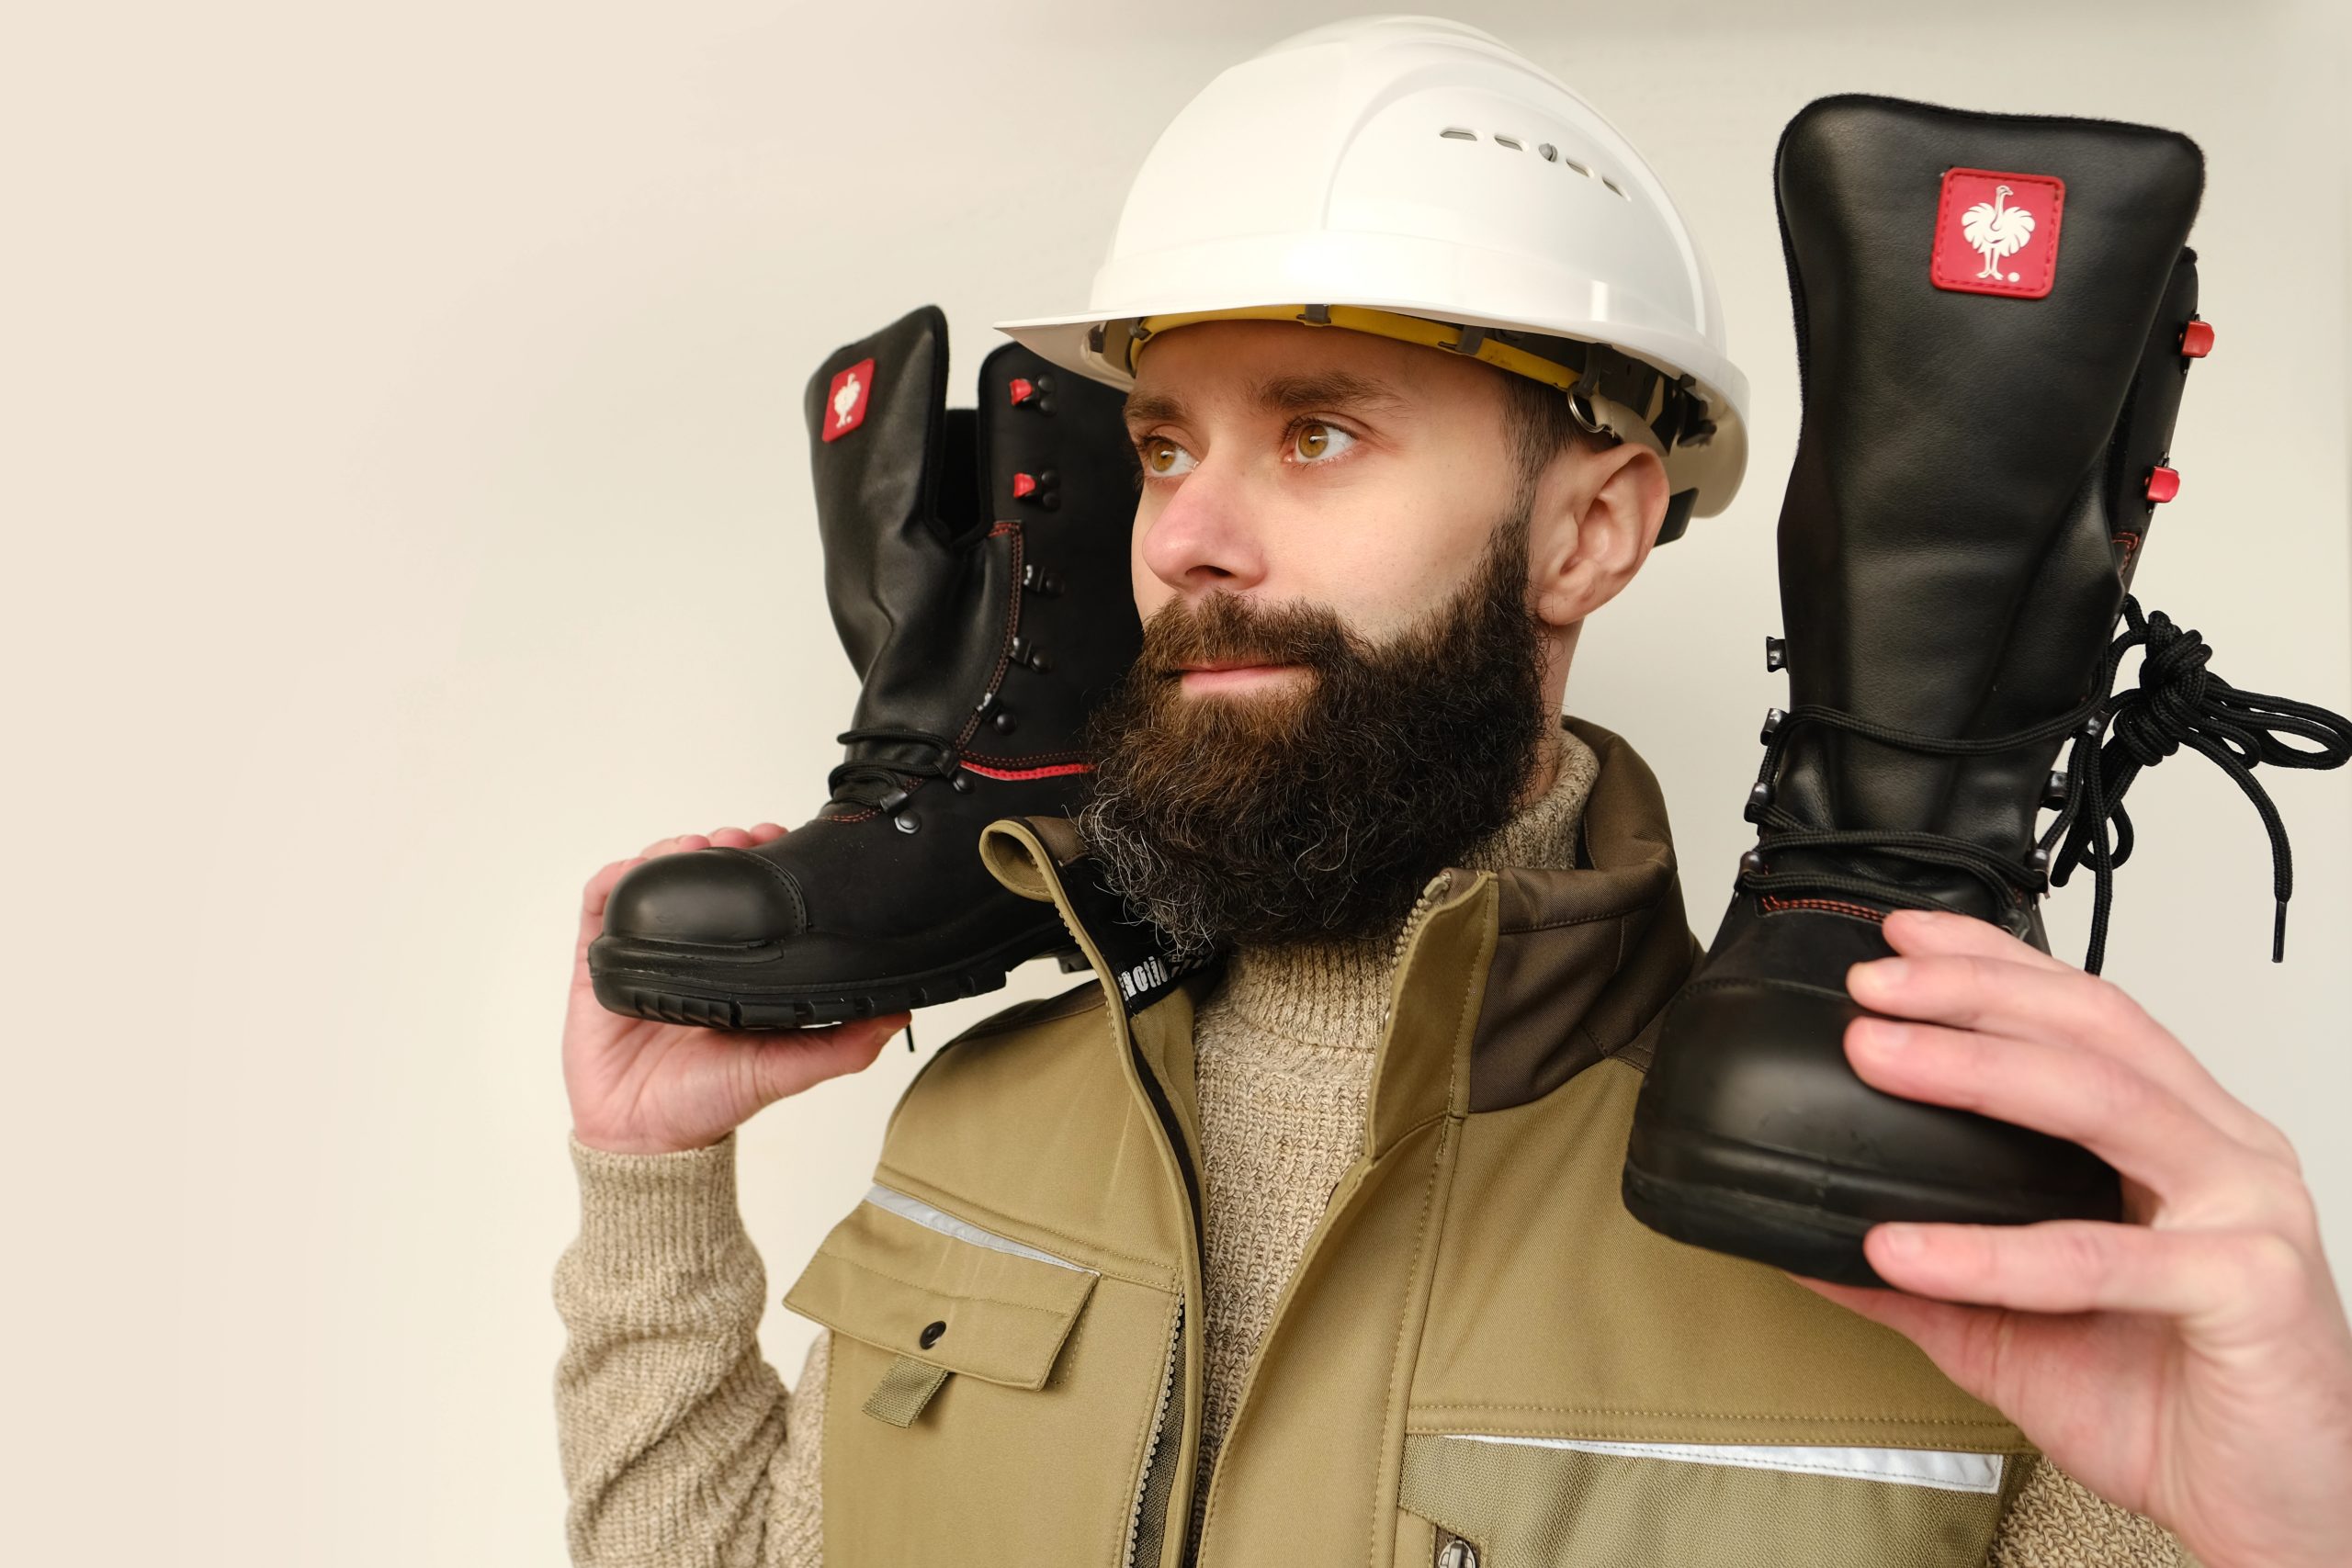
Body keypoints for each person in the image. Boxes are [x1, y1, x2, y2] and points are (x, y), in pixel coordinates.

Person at [551, 18, 2352, 1567]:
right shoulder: (978, 1123)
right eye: (1162, 443)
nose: (1183, 534)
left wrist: (2291, 1524)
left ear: (1592, 527)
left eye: (1316, 433)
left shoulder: (1955, 1244)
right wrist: (650, 1177)